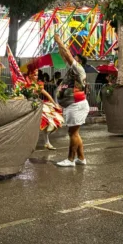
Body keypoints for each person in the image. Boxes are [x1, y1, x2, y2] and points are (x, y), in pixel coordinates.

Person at [54, 34, 90, 167]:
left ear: (79, 62)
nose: (71, 59)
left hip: (77, 104)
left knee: (72, 133)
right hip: (73, 104)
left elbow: (68, 56)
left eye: (75, 59)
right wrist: (59, 45)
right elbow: (65, 56)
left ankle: (70, 159)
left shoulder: (79, 69)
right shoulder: (73, 70)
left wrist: (60, 41)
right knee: (74, 133)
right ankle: (81, 158)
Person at [25, 66, 63, 150]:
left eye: (37, 75)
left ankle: (47, 142)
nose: (37, 76)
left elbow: (48, 95)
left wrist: (55, 104)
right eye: (35, 75)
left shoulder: (38, 84)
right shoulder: (26, 84)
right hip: (29, 107)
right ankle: (30, 144)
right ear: (30, 75)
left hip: (38, 105)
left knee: (51, 121)